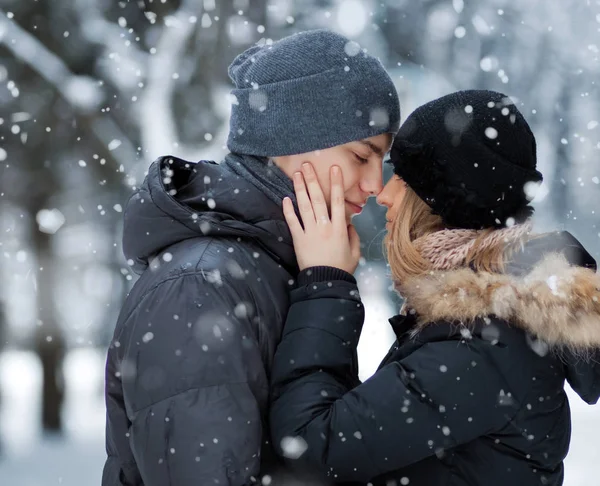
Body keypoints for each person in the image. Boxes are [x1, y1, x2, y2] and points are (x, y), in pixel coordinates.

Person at [102, 29, 400, 486]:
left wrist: (326, 285)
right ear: (291, 140)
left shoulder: (273, 268)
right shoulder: (199, 286)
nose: (376, 185)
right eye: (362, 155)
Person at [270, 90, 600, 485]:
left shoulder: (484, 346)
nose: (384, 194)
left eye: (404, 180)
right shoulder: (487, 330)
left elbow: (310, 445)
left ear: (446, 203)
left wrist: (325, 283)